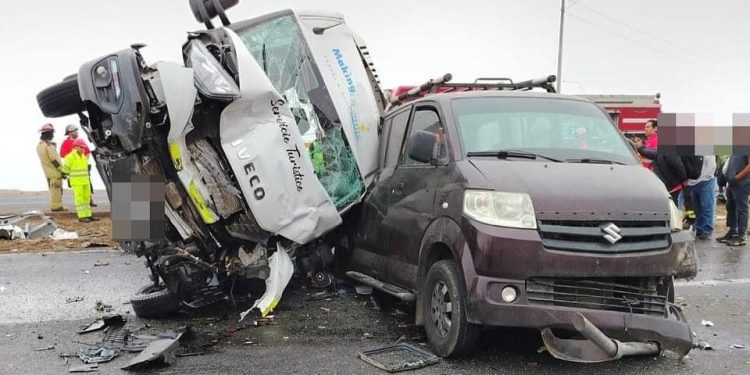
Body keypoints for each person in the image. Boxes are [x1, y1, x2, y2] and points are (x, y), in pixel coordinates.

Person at [716, 154, 750, 246]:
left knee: (742, 209)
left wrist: (737, 177)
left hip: (742, 183)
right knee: (730, 208)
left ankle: (741, 236)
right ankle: (732, 232)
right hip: (731, 184)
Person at [60, 124, 97, 207]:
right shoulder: (66, 143)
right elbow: (63, 155)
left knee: (87, 184)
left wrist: (84, 162)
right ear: (69, 132)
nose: (77, 132)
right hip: (74, 169)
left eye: (76, 130)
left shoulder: (80, 141)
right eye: (75, 131)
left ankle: (90, 200)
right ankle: (82, 203)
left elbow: (87, 152)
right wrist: (73, 160)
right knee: (78, 188)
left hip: (83, 167)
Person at [62, 138, 96, 222]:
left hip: (85, 181)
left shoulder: (83, 156)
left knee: (86, 199)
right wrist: (65, 175)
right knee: (80, 200)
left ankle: (88, 215)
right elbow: (65, 169)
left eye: (83, 147)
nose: (83, 149)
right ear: (76, 147)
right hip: (77, 182)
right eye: (81, 147)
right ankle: (82, 216)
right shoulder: (70, 157)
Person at [36, 123, 66, 211]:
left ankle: (56, 206)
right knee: (56, 189)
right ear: (49, 133)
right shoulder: (49, 146)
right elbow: (55, 160)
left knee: (53, 189)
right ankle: (57, 207)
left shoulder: (39, 146)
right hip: (55, 172)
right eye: (52, 133)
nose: (53, 135)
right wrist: (62, 170)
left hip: (47, 172)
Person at [687, 156, 717, 240]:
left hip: (705, 181)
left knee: (707, 206)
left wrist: (703, 177)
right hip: (693, 183)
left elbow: (712, 166)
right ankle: (699, 229)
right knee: (697, 208)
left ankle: (707, 230)